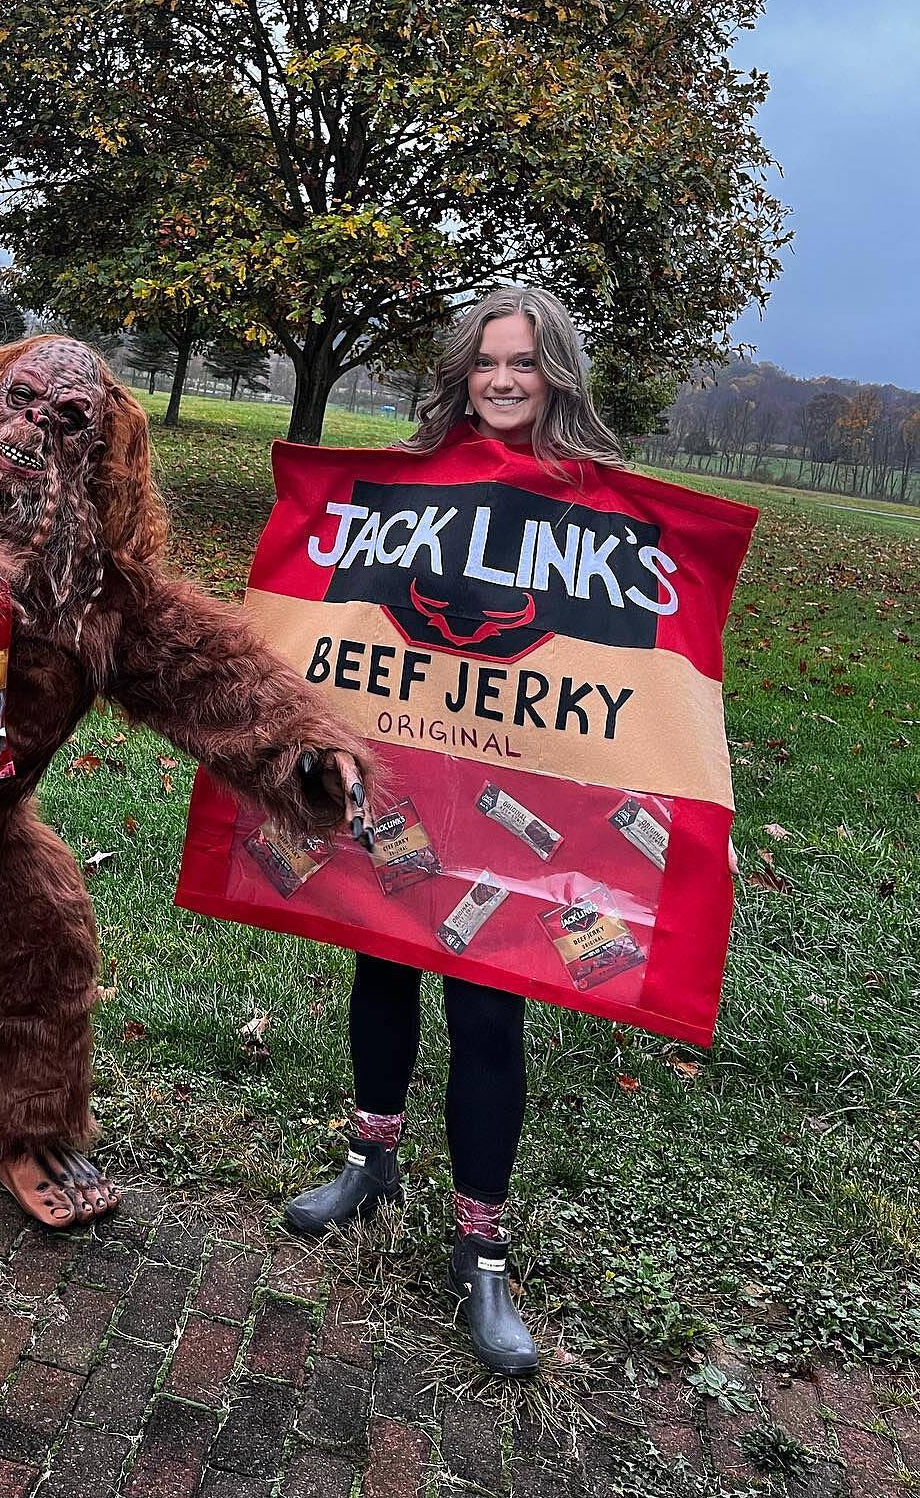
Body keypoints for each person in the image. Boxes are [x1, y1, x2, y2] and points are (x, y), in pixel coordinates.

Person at [283, 285, 631, 1378]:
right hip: (410, 782)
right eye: (486, 363)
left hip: (518, 805)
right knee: (380, 976)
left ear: (556, 373)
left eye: (523, 363)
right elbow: (342, 603)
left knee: (488, 1018)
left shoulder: (599, 509)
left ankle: (482, 1248)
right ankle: (372, 1159)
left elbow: (634, 673)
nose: (503, 380)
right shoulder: (413, 486)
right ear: (462, 372)